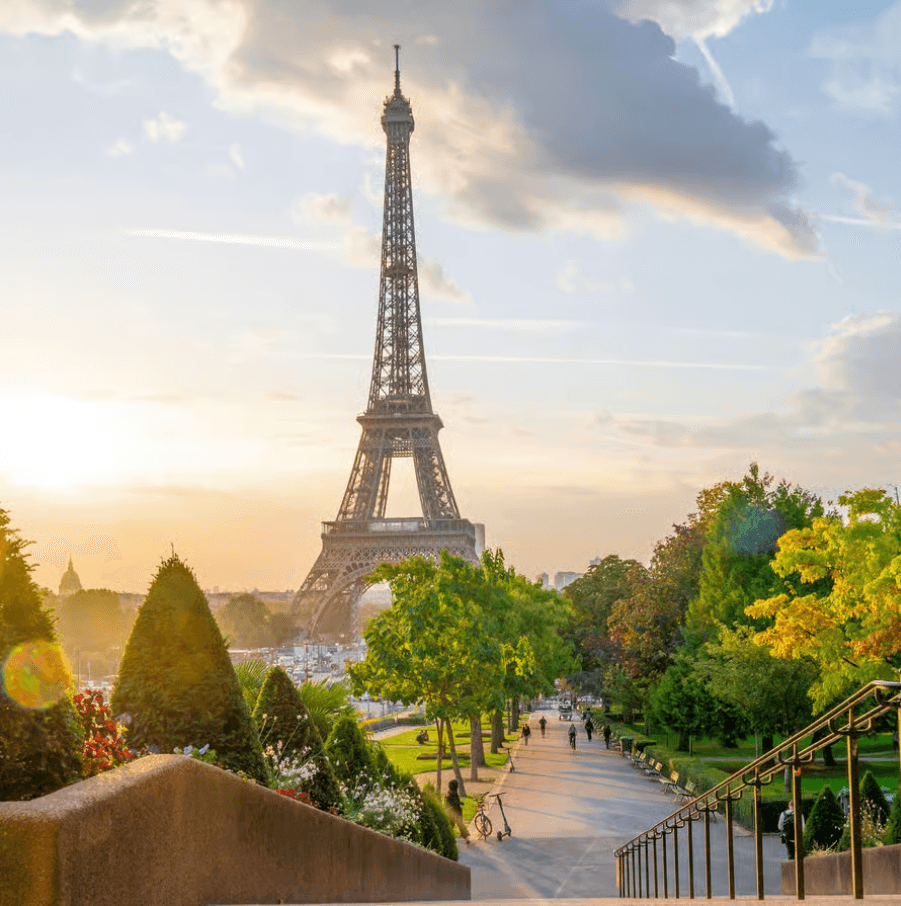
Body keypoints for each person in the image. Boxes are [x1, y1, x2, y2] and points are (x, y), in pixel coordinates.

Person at [444, 779, 470, 844]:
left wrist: (459, 803)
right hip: (455, 813)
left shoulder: (450, 793)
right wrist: (459, 803)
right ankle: (465, 838)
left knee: (455, 826)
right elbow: (454, 802)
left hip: (453, 813)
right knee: (457, 825)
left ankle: (465, 839)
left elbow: (449, 803)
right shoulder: (452, 794)